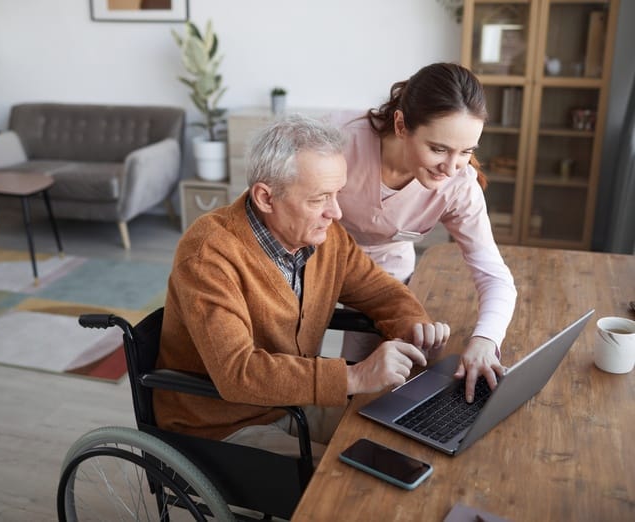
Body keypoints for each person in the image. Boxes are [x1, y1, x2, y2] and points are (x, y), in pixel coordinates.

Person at [153, 114, 450, 460]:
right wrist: (353, 377)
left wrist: (416, 327)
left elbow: (380, 292)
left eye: (337, 194)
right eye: (319, 199)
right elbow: (238, 372)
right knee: (352, 476)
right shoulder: (209, 252)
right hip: (221, 425)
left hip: (293, 404)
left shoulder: (326, 238)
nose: (336, 212)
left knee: (402, 440)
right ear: (266, 198)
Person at [329, 62, 517, 403]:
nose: (451, 168)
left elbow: (494, 274)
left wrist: (486, 340)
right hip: (318, 261)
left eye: (467, 151)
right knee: (307, 361)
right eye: (439, 149)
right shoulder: (339, 142)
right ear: (401, 125)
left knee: (374, 385)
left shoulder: (459, 185)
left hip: (387, 275)